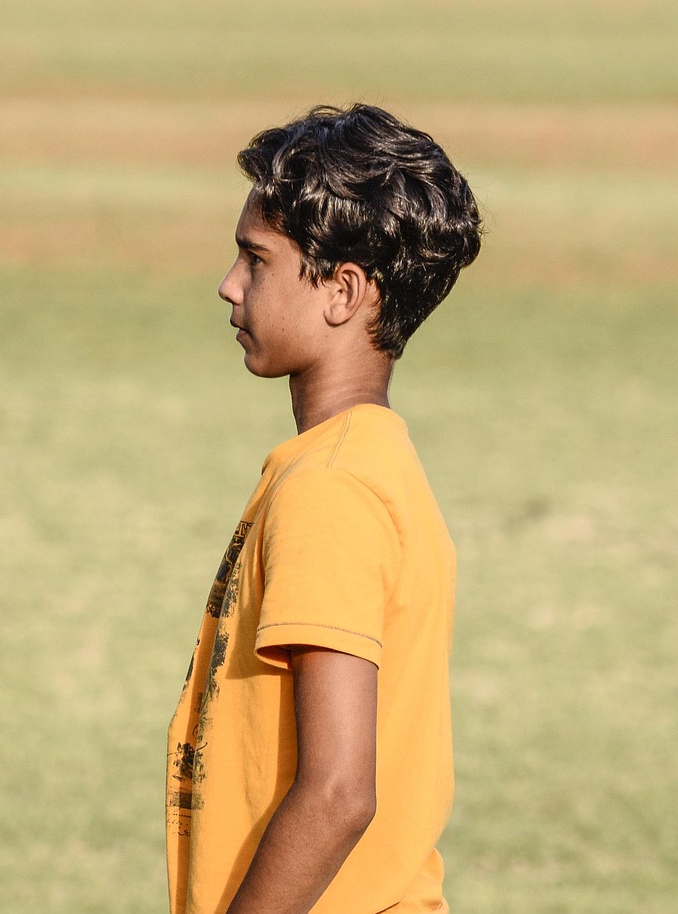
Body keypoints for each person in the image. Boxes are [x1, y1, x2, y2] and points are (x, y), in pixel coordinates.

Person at [166, 104, 482, 914]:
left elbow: (340, 792)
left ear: (343, 291)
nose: (229, 284)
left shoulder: (330, 489)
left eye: (256, 259)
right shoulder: (369, 461)